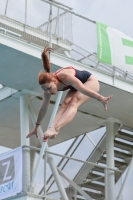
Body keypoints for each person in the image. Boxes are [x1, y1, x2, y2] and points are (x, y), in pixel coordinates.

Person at [26, 47, 113, 142]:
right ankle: (53, 129)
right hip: (74, 86)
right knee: (64, 104)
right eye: (45, 90)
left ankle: (56, 128)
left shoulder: (64, 77)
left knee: (73, 102)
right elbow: (43, 109)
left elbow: (83, 89)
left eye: (49, 88)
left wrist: (100, 98)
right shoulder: (47, 90)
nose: (48, 92)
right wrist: (36, 126)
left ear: (54, 81)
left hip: (89, 81)